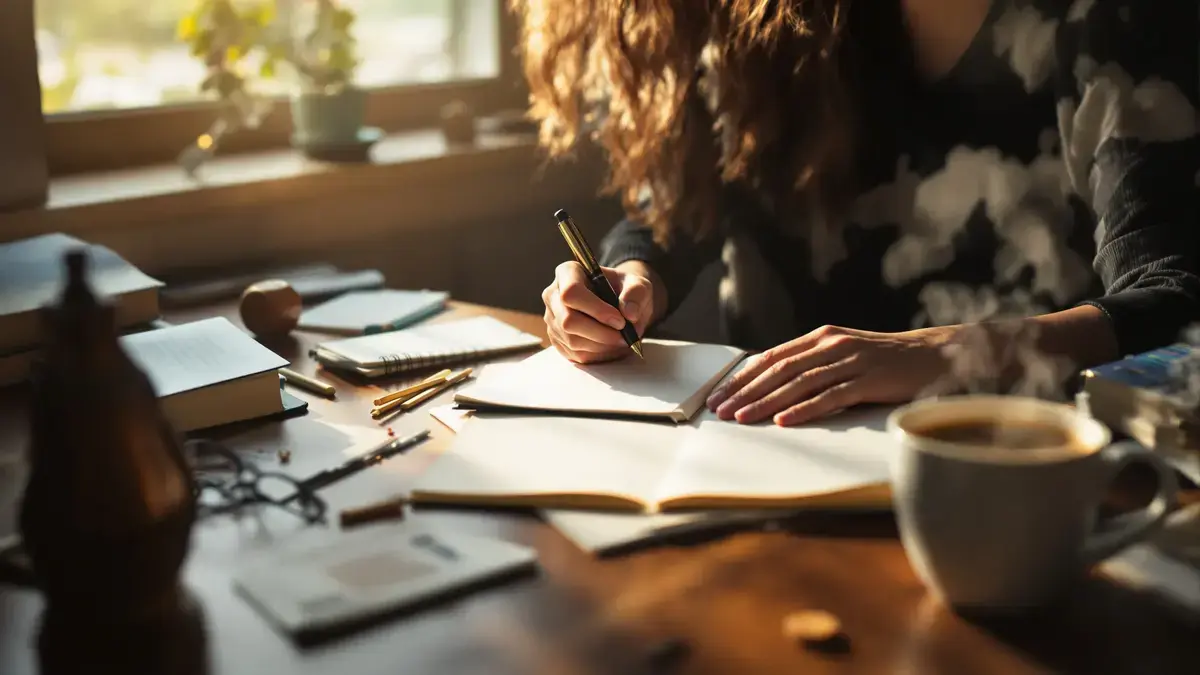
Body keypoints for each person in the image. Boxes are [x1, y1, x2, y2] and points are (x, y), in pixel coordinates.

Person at [523, 0, 1199, 426]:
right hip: (771, 465)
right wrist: (626, 280)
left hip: (1023, 478)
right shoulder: (767, 20)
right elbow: (672, 211)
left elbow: (1174, 300)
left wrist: (938, 356)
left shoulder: (1111, 22)